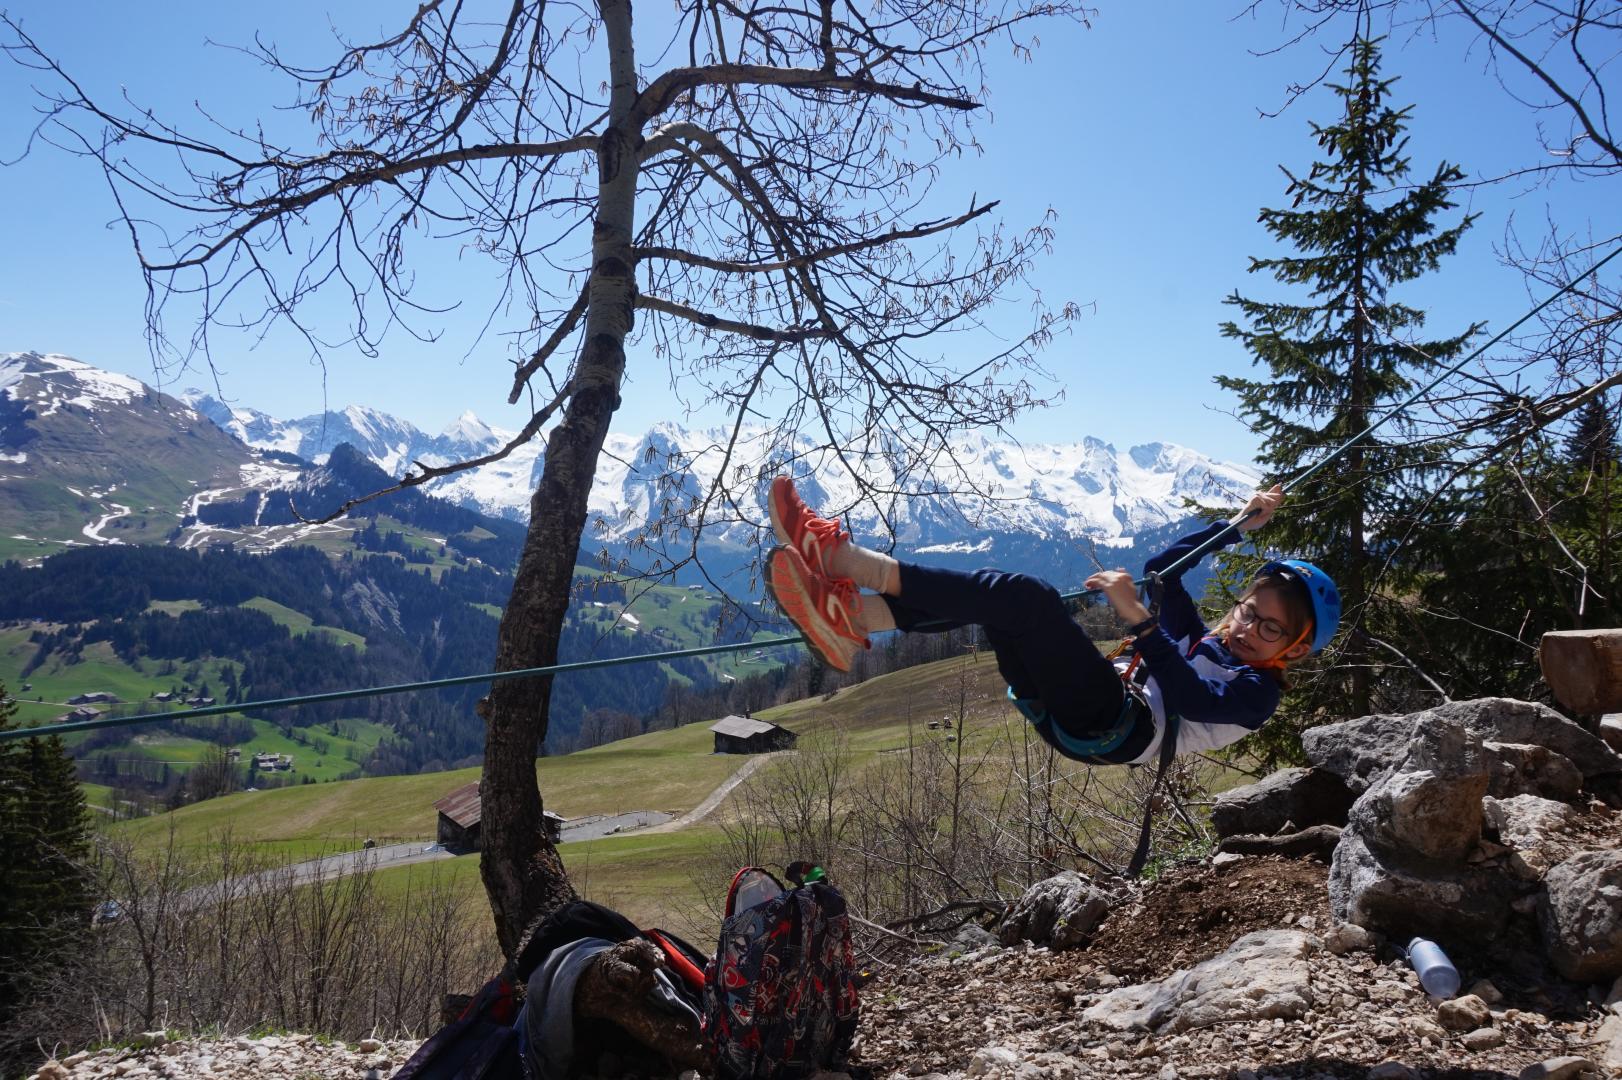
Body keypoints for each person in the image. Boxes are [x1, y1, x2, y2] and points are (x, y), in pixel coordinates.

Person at [763, 477, 1340, 765]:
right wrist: (1236, 526)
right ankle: (851, 619)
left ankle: (841, 560)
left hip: (1117, 725)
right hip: (1094, 710)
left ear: (1294, 650)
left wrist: (1140, 623)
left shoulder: (1256, 692)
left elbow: (1190, 695)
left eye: (1269, 629)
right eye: (1248, 610)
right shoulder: (1207, 641)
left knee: (1026, 595)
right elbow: (1164, 571)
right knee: (999, 602)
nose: (1245, 629)